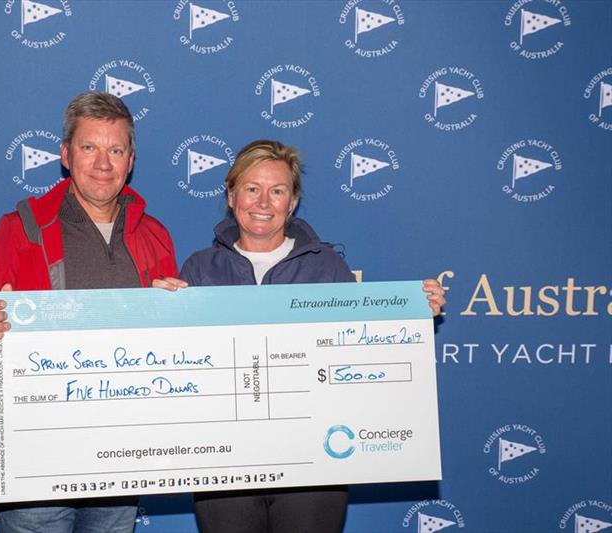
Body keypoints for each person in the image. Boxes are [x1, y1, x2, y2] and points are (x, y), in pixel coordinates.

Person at [154, 139, 445, 533]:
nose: (263, 202)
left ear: (292, 202)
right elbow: (181, 366)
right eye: (251, 188)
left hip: (313, 464)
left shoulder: (326, 266)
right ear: (230, 195)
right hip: (225, 462)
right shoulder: (200, 268)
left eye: (277, 191)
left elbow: (360, 348)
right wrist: (157, 316)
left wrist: (411, 311)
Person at [0, 91, 178, 533]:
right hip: (37, 458)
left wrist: (178, 318)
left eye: (116, 149)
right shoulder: (20, 229)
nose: (103, 163)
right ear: (66, 155)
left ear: (131, 160)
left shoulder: (156, 235)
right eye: (89, 147)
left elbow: (169, 351)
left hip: (121, 460)